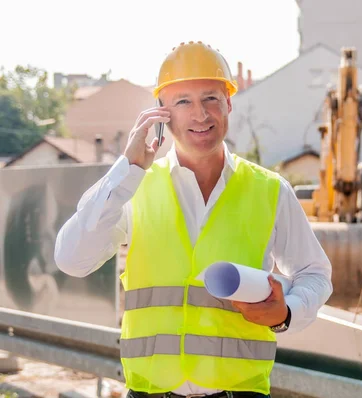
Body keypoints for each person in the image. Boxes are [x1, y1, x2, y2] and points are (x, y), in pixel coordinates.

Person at [54, 41, 333, 398]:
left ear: (229, 103)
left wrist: (286, 313)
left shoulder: (270, 190)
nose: (200, 115)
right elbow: (71, 260)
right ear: (161, 111)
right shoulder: (134, 187)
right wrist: (125, 170)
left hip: (238, 392)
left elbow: (315, 274)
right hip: (150, 392)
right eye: (183, 101)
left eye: (211, 99)